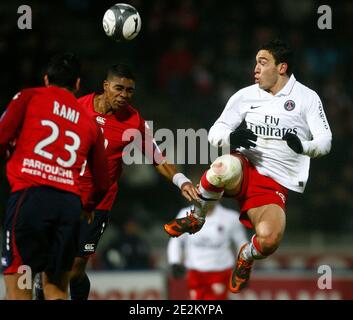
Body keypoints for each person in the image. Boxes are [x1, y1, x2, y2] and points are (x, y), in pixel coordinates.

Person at [164, 39, 332, 294]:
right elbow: (215, 132)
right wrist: (230, 139)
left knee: (270, 240)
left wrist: (303, 147)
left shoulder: (307, 98)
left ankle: (247, 255)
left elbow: (325, 141)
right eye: (255, 62)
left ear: (282, 67)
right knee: (223, 166)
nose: (255, 68)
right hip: (244, 168)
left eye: (262, 63)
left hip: (274, 183)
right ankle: (197, 216)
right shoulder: (245, 95)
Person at [34, 63, 199, 300]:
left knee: (76, 269)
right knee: (56, 267)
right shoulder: (77, 108)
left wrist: (181, 181)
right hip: (66, 194)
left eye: (129, 91)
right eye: (118, 88)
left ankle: (48, 286)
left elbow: (158, 157)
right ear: (105, 86)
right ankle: (43, 287)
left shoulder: (133, 121)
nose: (123, 95)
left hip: (99, 202)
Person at [0, 53, 109, 300]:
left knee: (19, 287)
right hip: (68, 207)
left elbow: (1, 137)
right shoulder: (89, 121)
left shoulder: (29, 96)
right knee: (56, 289)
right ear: (78, 84)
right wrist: (87, 206)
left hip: (31, 197)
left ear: (46, 79)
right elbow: (102, 182)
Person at [167, 203, 247, 300]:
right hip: (195, 272)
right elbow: (176, 240)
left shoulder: (230, 217)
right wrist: (174, 262)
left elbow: (241, 242)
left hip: (221, 272)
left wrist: (243, 269)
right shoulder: (185, 214)